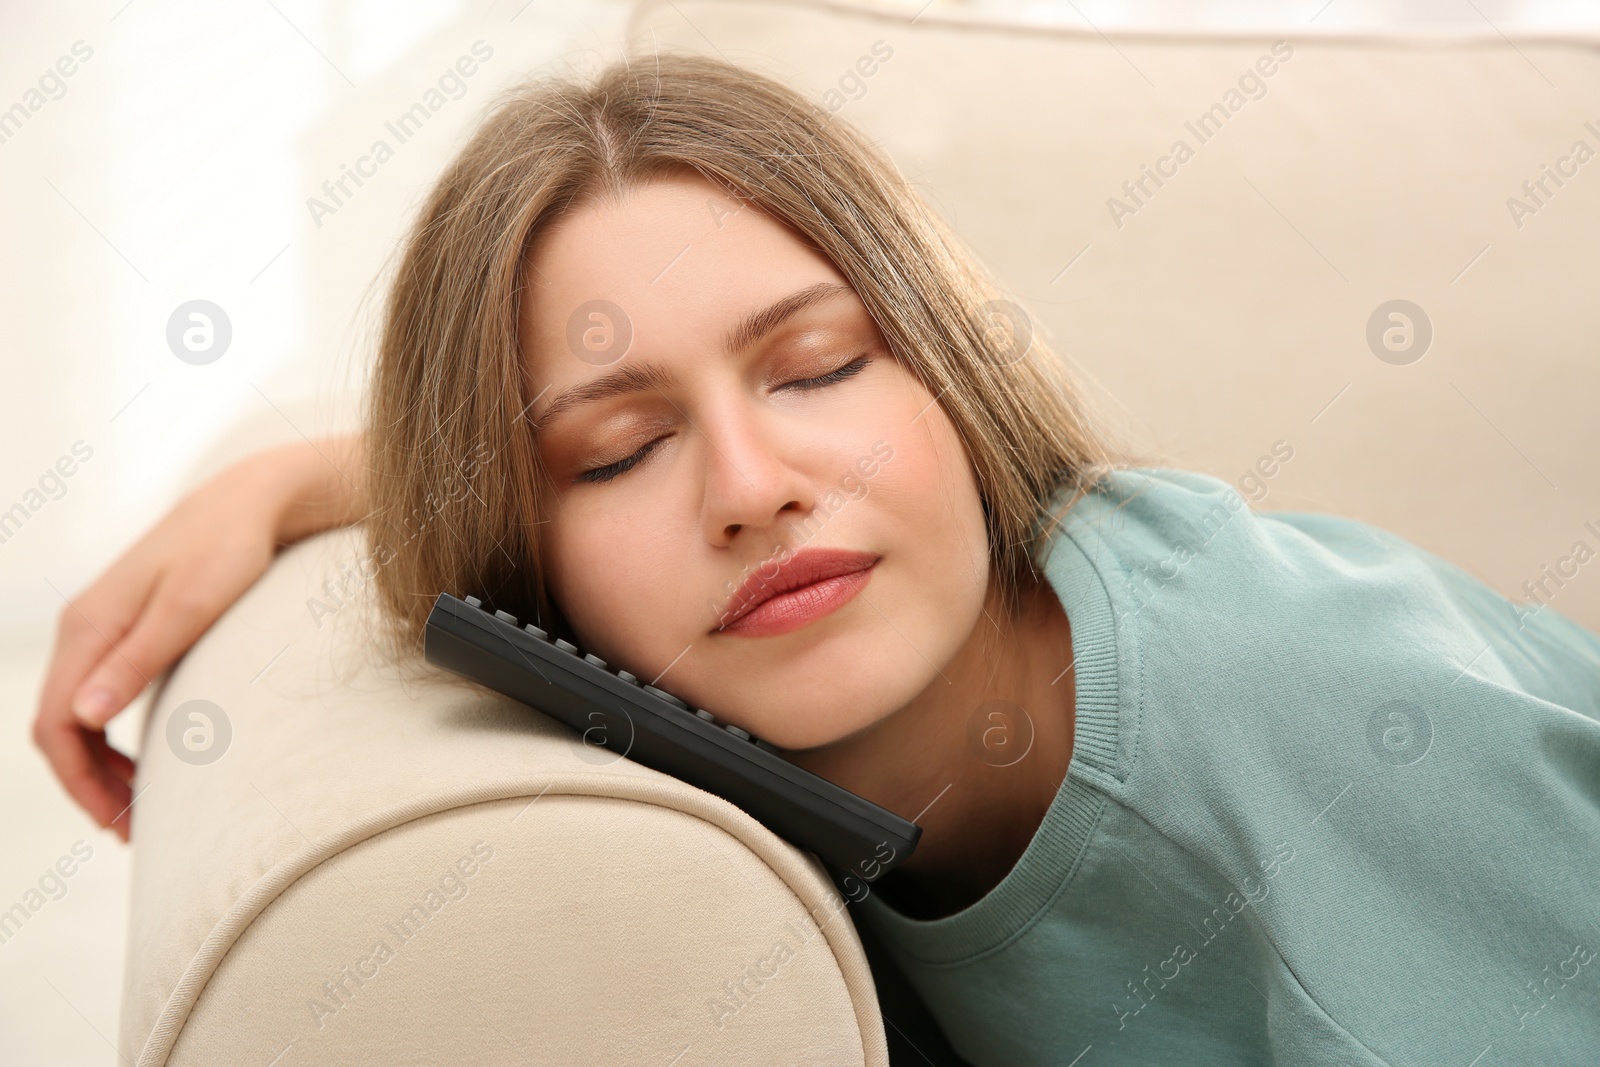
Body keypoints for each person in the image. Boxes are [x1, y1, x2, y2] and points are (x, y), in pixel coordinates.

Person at [34, 53, 1600, 1066]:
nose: (747, 488)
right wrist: (291, 481)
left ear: (950, 375)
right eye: (617, 449)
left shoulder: (1299, 705)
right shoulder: (794, 748)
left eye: (817, 367)